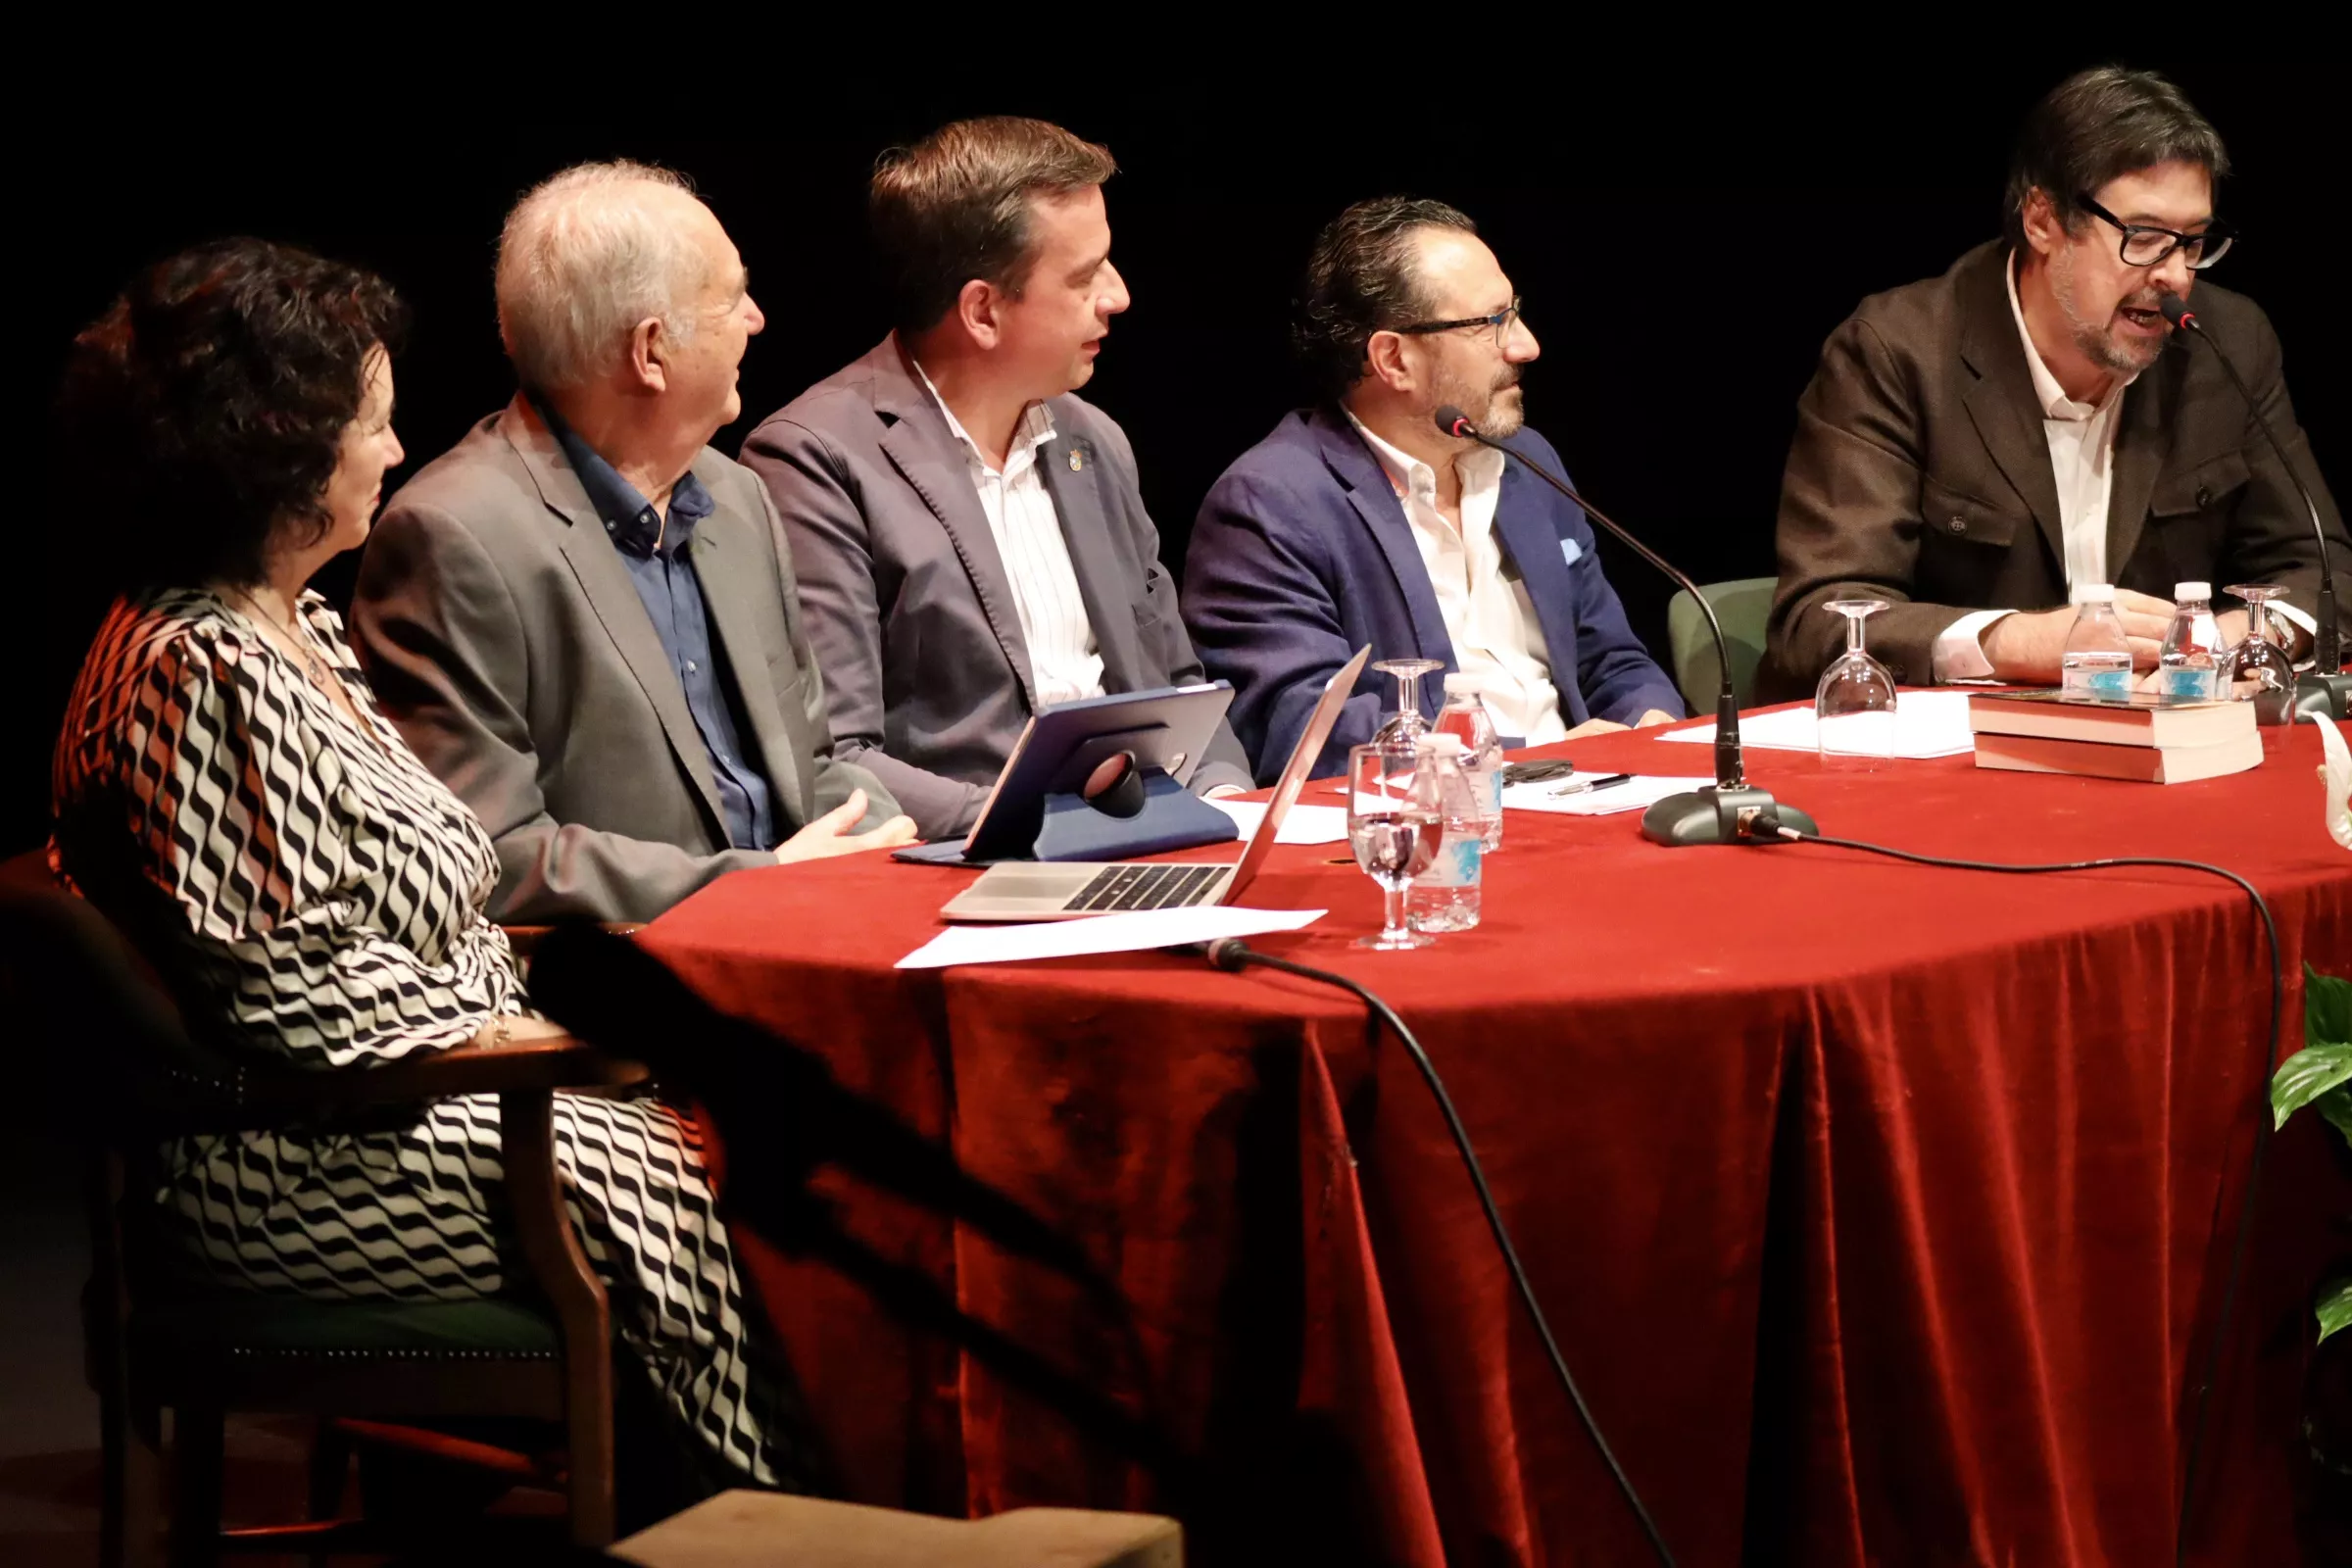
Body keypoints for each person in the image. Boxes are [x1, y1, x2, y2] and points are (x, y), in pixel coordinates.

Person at [49, 238, 799, 1493]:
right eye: (373, 425)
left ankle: (762, 1499)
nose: (395, 454)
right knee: (671, 1169)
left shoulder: (294, 627)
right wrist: (560, 1057)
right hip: (291, 1161)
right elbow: (301, 1006)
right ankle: (774, 1513)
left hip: (402, 1107)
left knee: (737, 1129)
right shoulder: (199, 673)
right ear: (278, 448)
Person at [352, 163, 913, 921]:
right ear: (651, 354)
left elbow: (809, 768)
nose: (755, 319)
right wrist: (760, 884)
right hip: (626, 995)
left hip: (811, 942)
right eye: (729, 299)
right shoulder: (454, 537)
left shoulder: (738, 499)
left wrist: (899, 845)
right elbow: (491, 853)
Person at [1761, 66, 2349, 701]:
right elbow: (1819, 617)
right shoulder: (1898, 351)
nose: (2177, 276)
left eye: (2195, 242)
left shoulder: (2226, 342)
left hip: (2166, 736)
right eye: (2145, 238)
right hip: (1965, 759)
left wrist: (2235, 635)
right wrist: (2017, 643)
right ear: (2043, 221)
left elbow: (2324, 567)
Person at [740, 118, 1252, 840]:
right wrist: (1042, 825)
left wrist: (1227, 803)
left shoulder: (1092, 441)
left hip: (1141, 845)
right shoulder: (816, 457)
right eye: (1083, 276)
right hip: (962, 873)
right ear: (982, 310)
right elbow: (840, 757)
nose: (1118, 295)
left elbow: (1177, 682)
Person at [1184, 197, 1683, 783]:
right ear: (1394, 359)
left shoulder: (1527, 463)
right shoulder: (1272, 503)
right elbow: (1306, 728)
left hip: (1593, 799)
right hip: (1432, 832)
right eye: (1489, 323)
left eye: (1513, 313)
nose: (1525, 345)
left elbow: (1613, 660)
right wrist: (1546, 764)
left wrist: (1645, 724)